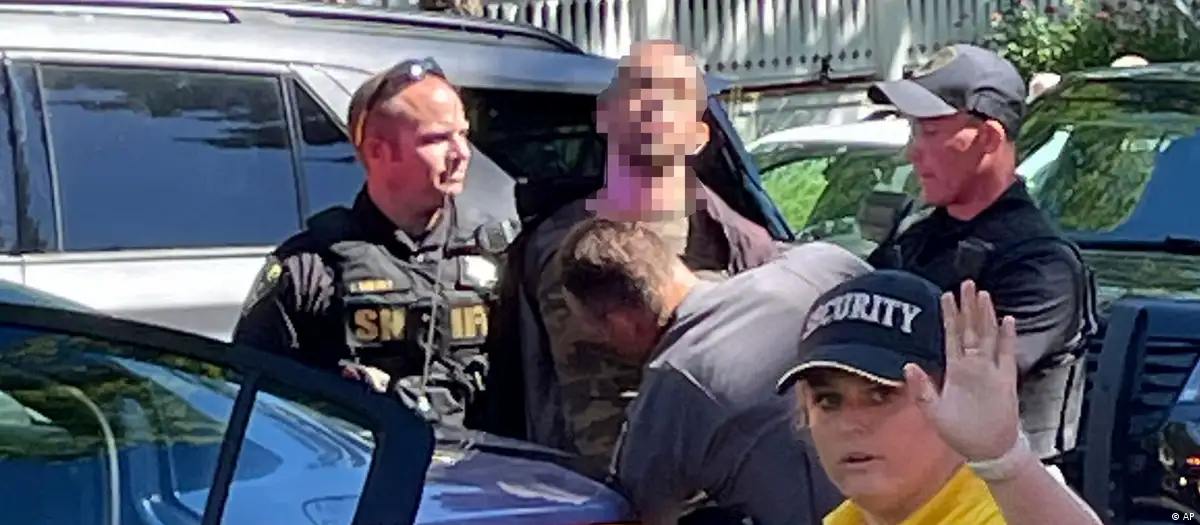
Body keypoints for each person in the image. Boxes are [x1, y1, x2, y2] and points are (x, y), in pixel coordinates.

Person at [513, 40, 780, 467]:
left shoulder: (741, 247)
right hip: (578, 490)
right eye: (639, 87)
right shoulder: (546, 243)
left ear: (699, 136)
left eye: (674, 94)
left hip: (703, 492)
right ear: (605, 114)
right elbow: (522, 381)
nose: (655, 104)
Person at [864, 43, 1097, 460]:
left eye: (930, 132)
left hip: (1001, 485)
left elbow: (955, 389)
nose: (912, 152)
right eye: (914, 130)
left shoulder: (1040, 265)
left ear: (988, 138)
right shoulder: (917, 236)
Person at [555, 217, 868, 524]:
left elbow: (636, 513)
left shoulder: (670, 389)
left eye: (595, 328)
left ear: (622, 324)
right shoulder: (818, 263)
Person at [233, 58, 490, 427]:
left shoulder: (497, 254)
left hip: (483, 461)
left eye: (463, 134)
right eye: (437, 138)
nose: (462, 153)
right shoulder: (310, 267)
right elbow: (258, 405)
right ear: (377, 151)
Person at [776, 272, 1104, 525]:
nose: (850, 423)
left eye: (881, 394)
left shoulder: (1008, 512)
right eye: (828, 401)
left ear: (953, 398)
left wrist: (1006, 462)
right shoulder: (847, 519)